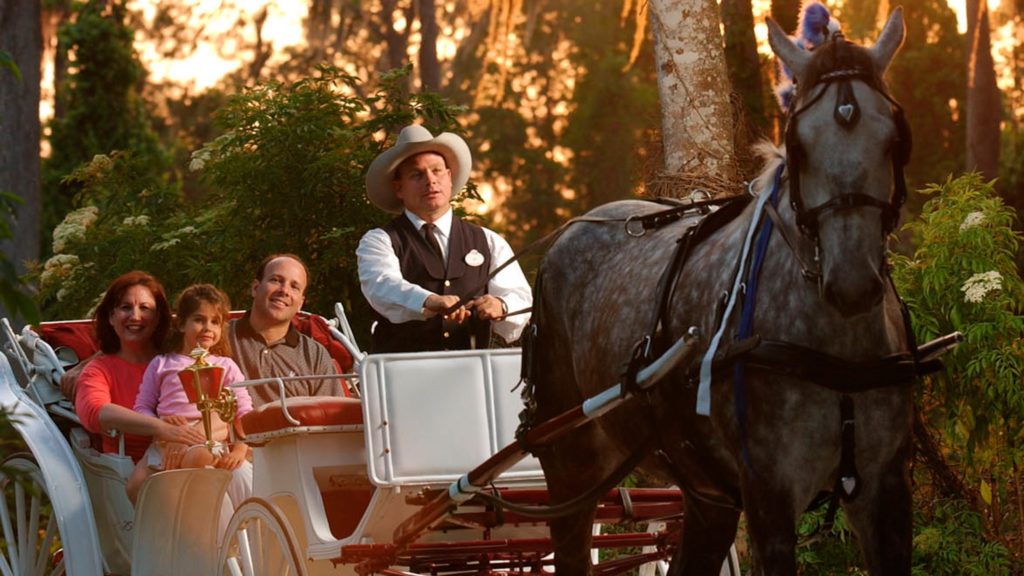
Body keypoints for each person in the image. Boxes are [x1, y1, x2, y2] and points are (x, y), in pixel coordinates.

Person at [356, 124, 532, 353]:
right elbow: (382, 286)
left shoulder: (488, 241)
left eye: (437, 170)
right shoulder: (379, 241)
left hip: (475, 374)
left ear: (449, 177)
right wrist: (429, 300)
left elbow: (523, 299)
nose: (430, 181)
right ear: (399, 188)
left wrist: (502, 305)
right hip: (402, 375)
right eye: (417, 175)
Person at [128, 284, 254, 504]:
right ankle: (162, 531)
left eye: (215, 322)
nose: (207, 328)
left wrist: (242, 447)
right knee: (135, 485)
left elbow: (242, 410)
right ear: (181, 324)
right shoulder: (162, 363)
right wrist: (163, 426)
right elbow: (142, 407)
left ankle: (209, 523)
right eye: (199, 319)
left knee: (200, 456)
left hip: (210, 437)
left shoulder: (225, 365)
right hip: (166, 439)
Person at [74, 271, 207, 463]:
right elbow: (95, 411)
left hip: (197, 454)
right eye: (125, 307)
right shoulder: (99, 369)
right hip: (134, 468)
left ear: (158, 317)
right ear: (111, 317)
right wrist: (162, 428)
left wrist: (189, 436)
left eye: (144, 308)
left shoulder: (181, 359)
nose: (135, 316)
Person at [227, 254, 343, 407]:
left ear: (300, 303)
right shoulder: (219, 338)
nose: (284, 291)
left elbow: (332, 418)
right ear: (255, 288)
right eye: (276, 280)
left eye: (294, 287)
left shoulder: (315, 355)